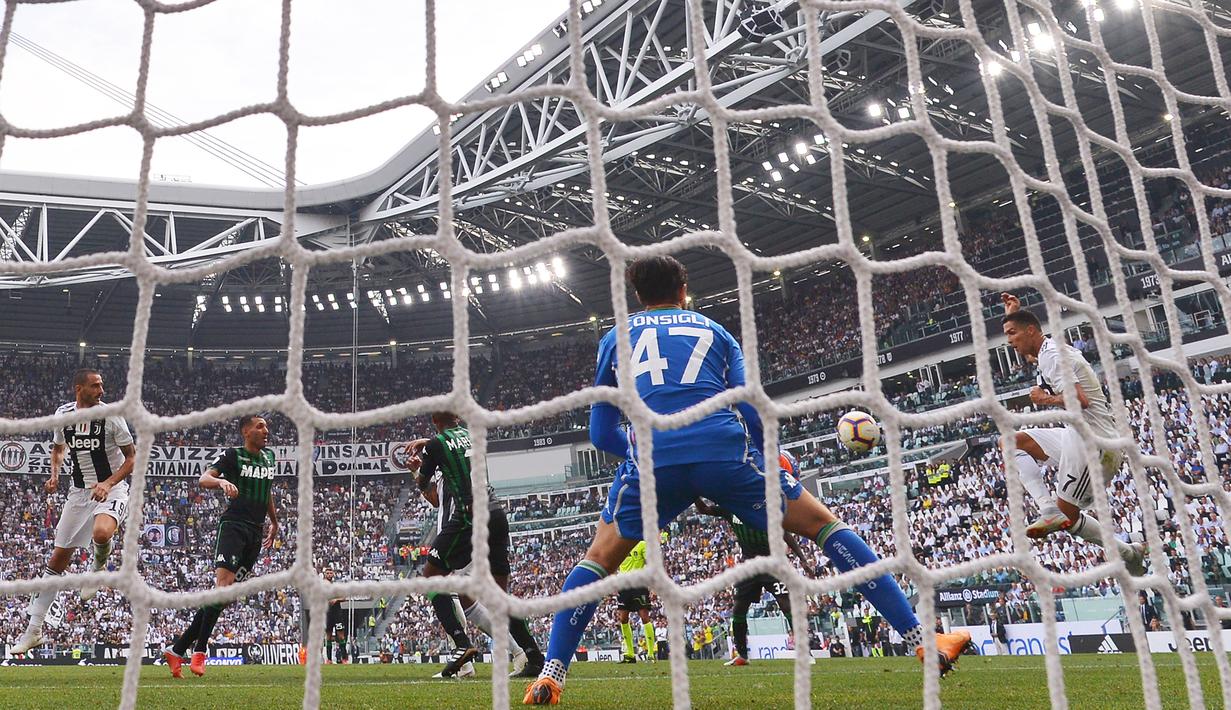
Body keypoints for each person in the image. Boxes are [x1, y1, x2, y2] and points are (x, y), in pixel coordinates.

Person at [524, 256, 971, 705]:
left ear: (637, 296)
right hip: (724, 451)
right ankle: (922, 639)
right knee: (825, 527)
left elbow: (600, 434)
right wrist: (766, 457)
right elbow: (752, 408)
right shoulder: (714, 331)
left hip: (653, 460)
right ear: (683, 291)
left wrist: (645, 452)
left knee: (597, 562)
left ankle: (551, 674)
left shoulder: (614, 338)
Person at [999, 292, 1146, 575]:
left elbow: (1080, 401)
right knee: (1011, 441)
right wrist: (1013, 314)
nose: (1009, 340)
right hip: (1076, 434)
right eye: (1007, 334)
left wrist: (1044, 399)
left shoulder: (1053, 356)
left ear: (1031, 331)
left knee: (1068, 517)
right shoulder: (1047, 350)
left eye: (1012, 333)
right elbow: (1029, 351)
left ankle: (1130, 553)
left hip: (1096, 444)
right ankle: (1047, 508)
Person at [408, 412, 544, 679]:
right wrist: (430, 444)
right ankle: (533, 657)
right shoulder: (472, 435)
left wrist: (418, 466)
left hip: (468, 520)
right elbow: (452, 447)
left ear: (435, 422)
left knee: (433, 577)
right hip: (496, 513)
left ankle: (463, 646)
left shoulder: (437, 447)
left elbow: (425, 484)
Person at [13, 368, 136, 654]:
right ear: (79, 389)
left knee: (102, 532)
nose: (101, 391)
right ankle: (33, 631)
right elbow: (58, 449)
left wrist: (108, 483)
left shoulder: (111, 416)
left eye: (101, 385)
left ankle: (98, 569)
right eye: (95, 386)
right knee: (57, 561)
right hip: (79, 494)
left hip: (112, 488)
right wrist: (55, 475)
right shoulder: (64, 414)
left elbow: (132, 457)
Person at [163, 414, 278, 678]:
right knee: (223, 588)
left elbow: (267, 490)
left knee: (225, 596)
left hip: (255, 533)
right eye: (260, 426)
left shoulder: (269, 457)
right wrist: (222, 481)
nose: (266, 430)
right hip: (234, 527)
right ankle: (199, 651)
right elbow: (204, 478)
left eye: (266, 427)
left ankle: (177, 649)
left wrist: (274, 521)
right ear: (246, 432)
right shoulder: (233, 455)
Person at [694, 452, 817, 667]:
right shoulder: (729, 508)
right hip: (749, 566)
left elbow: (785, 532)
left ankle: (805, 652)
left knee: (787, 605)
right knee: (739, 609)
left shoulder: (763, 504)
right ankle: (742, 655)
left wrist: (803, 559)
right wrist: (692, 492)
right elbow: (703, 509)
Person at [613, 536, 657, 663]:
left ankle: (650, 654)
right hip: (623, 586)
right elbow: (615, 565)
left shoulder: (642, 544)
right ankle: (630, 654)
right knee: (623, 619)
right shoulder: (620, 546)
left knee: (644, 617)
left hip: (639, 585)